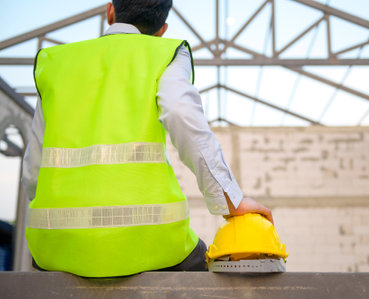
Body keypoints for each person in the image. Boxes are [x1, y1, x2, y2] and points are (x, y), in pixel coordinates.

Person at [21, 0, 272, 277]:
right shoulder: (165, 53)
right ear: (162, 29)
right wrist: (231, 201)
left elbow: (33, 170)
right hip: (152, 245)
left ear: (110, 11)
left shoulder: (56, 63)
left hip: (56, 248)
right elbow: (182, 115)